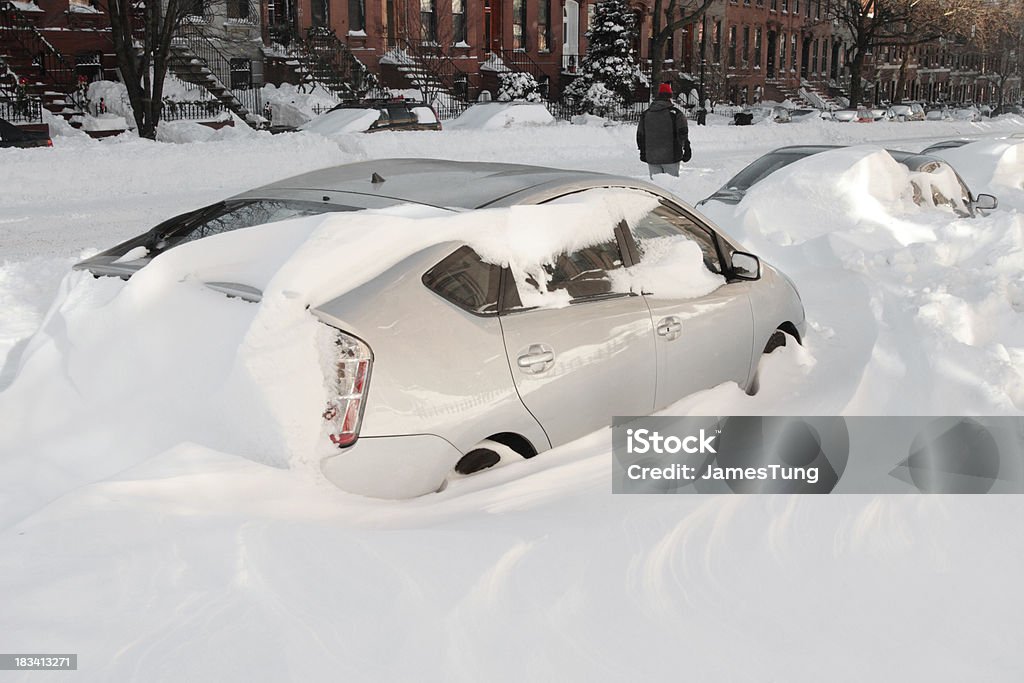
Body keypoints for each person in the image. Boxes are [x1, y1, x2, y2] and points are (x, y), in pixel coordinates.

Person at [637, 83, 691, 178]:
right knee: (670, 186)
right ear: (670, 97)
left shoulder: (646, 114)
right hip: (671, 157)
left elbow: (640, 135)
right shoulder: (675, 114)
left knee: (656, 186)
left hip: (652, 157)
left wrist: (642, 151)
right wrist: (687, 149)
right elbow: (683, 134)